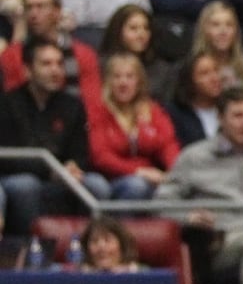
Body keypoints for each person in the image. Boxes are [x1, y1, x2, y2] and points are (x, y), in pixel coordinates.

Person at [157, 87, 243, 284]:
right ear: (220, 118)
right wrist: (187, 217)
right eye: (238, 116)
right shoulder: (195, 157)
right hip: (218, 238)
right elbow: (161, 204)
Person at [0, 37, 109, 230]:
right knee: (26, 186)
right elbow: (8, 157)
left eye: (59, 64)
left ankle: (87, 246)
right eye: (46, 64)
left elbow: (81, 152)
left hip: (62, 176)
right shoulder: (7, 104)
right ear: (27, 70)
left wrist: (74, 166)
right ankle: (33, 247)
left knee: (97, 185)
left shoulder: (72, 104)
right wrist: (51, 171)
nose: (55, 70)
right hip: (19, 176)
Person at [87, 52, 178, 200]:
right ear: (108, 81)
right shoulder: (98, 111)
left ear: (139, 82)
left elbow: (168, 145)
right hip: (110, 180)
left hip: (149, 177)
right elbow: (101, 157)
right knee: (137, 186)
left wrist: (175, 175)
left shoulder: (152, 110)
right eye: (117, 77)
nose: (123, 83)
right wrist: (138, 171)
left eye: (130, 77)